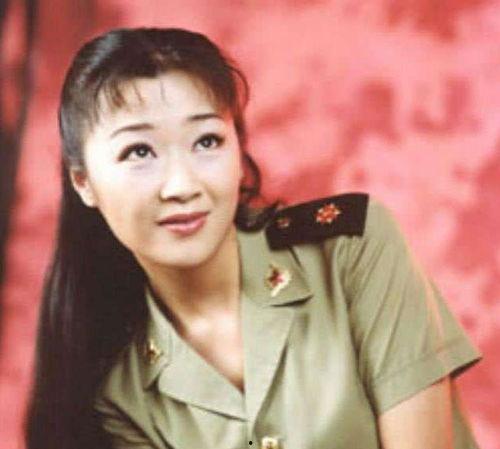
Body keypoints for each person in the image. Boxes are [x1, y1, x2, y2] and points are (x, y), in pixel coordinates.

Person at [25, 27, 482, 449]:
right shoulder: (120, 395)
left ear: (238, 150)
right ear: (83, 182)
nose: (183, 185)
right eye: (139, 151)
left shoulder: (352, 249)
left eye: (207, 141)